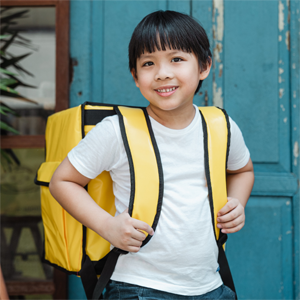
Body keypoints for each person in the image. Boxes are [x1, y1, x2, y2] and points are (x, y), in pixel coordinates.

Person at [49, 10, 254, 300]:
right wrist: (108, 226)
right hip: (136, 287)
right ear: (135, 76)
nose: (162, 73)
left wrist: (238, 202)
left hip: (211, 286)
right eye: (148, 63)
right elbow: (63, 181)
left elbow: (242, 170)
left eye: (177, 59)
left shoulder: (221, 126)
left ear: (204, 66)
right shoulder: (116, 130)